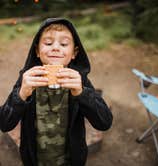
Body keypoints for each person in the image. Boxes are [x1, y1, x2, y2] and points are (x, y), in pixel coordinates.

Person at [0, 18, 113, 166]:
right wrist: (20, 95)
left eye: (64, 44)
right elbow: (4, 124)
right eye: (48, 43)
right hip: (34, 160)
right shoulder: (28, 80)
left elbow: (104, 122)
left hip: (71, 160)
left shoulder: (79, 82)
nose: (55, 47)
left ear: (74, 53)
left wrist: (82, 93)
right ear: (37, 51)